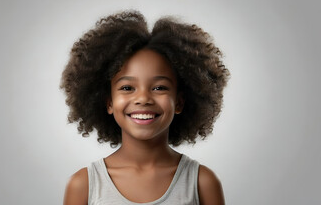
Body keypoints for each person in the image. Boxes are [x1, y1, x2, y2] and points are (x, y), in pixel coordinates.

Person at [61, 10, 230, 205]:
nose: (143, 98)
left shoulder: (202, 183)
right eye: (127, 88)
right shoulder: (84, 185)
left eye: (159, 87)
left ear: (180, 102)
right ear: (108, 102)